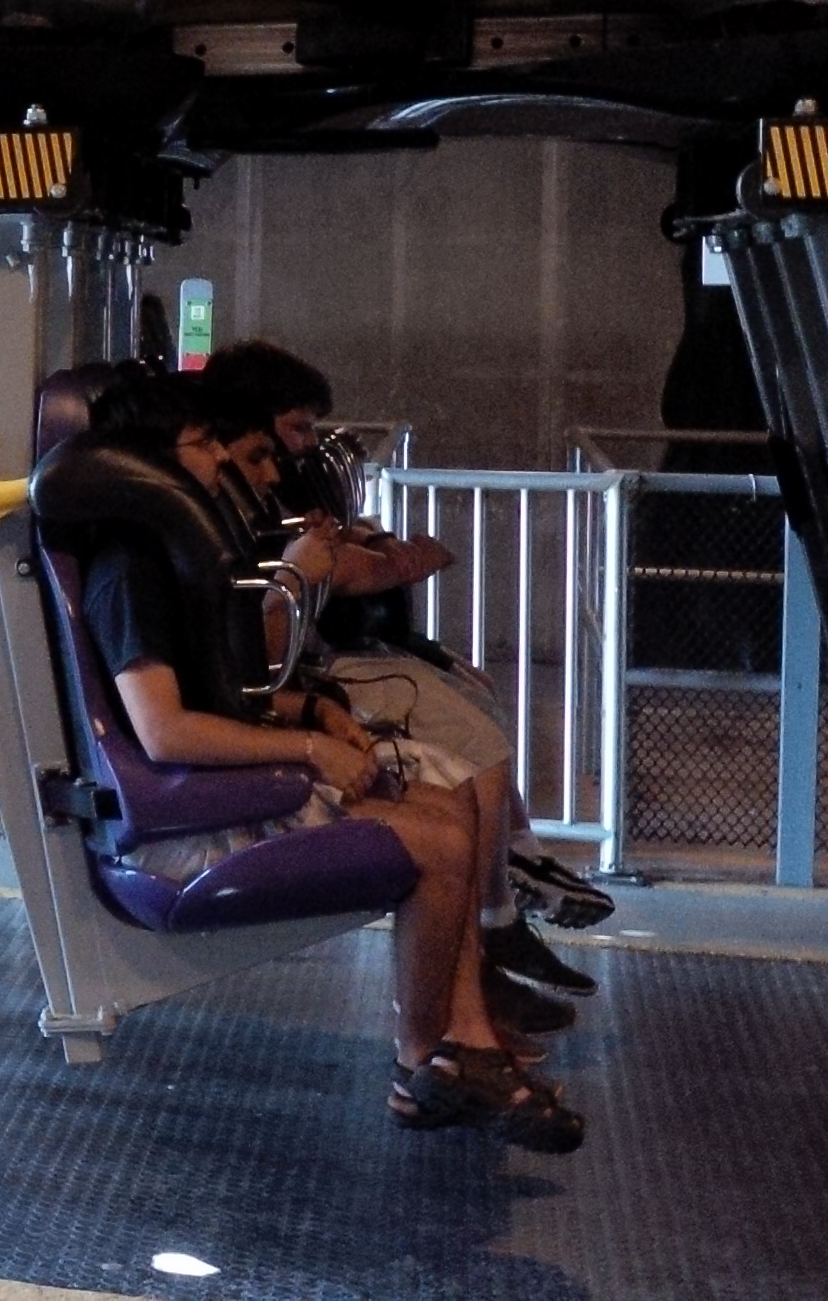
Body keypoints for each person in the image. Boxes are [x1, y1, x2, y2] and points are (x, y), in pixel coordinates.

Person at [76, 372, 585, 1150]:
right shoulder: (129, 572)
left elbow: (224, 689)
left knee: (450, 804)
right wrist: (309, 748)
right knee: (440, 843)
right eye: (203, 445)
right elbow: (165, 733)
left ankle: (462, 1045)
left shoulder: (172, 556)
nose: (222, 460)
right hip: (182, 830)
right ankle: (424, 1061)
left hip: (223, 788)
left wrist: (316, 714)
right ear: (149, 465)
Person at [203, 339, 614, 1008]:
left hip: (312, 680)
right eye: (283, 439)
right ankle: (483, 941)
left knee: (471, 729)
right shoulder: (224, 532)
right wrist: (337, 576)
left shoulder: (259, 507)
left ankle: (497, 908)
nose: (283, 465)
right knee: (464, 774)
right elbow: (240, 675)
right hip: (316, 676)